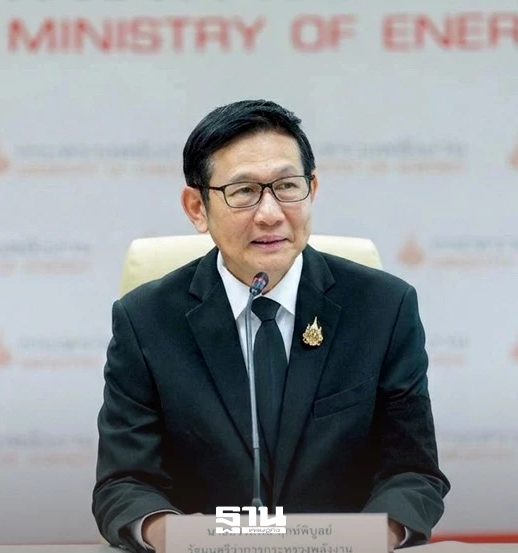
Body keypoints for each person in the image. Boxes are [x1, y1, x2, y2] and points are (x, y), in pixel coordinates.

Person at [92, 99, 449, 552]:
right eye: (243, 191)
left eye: (286, 186)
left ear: (312, 190)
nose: (270, 213)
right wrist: (175, 536)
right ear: (197, 207)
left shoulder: (383, 308)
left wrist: (373, 537)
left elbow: (413, 473)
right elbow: (124, 483)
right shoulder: (146, 320)